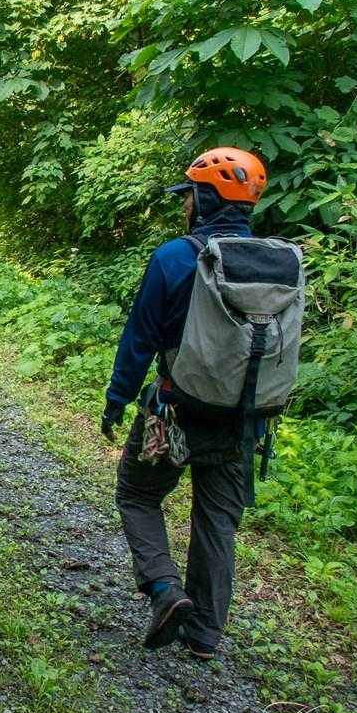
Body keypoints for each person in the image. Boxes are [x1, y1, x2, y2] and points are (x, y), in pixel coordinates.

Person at [99, 146, 268, 660]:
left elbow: (140, 337)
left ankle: (164, 589)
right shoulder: (275, 263)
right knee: (217, 521)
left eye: (190, 195)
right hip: (242, 421)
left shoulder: (175, 257)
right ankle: (205, 635)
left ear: (207, 198)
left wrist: (117, 399)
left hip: (175, 413)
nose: (185, 205)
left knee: (136, 494)